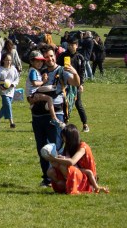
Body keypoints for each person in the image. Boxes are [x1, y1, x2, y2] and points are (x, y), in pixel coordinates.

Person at [30, 45, 81, 187]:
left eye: (51, 56)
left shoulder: (62, 71)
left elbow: (75, 83)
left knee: (56, 148)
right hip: (38, 114)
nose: (49, 59)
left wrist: (74, 72)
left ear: (55, 56)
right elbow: (31, 92)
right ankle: (46, 179)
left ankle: (59, 177)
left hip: (56, 114)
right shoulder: (40, 72)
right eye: (46, 57)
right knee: (42, 148)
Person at [43, 124, 108, 194]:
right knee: (50, 171)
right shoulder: (68, 148)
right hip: (77, 172)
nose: (63, 140)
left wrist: (54, 159)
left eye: (64, 137)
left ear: (70, 137)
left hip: (84, 177)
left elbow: (72, 162)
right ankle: (65, 185)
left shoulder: (83, 147)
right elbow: (64, 160)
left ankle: (82, 187)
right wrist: (53, 158)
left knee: (64, 167)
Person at [26, 51, 61, 127]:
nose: (40, 63)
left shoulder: (36, 71)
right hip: (33, 94)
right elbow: (35, 83)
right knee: (49, 99)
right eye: (37, 61)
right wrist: (43, 81)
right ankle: (54, 118)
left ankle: (34, 105)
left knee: (48, 93)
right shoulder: (33, 71)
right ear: (32, 62)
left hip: (34, 93)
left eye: (41, 61)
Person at [64, 38, 90, 132]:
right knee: (65, 103)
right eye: (69, 45)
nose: (70, 47)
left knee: (78, 104)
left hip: (76, 84)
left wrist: (81, 84)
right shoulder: (63, 56)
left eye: (72, 45)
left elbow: (82, 72)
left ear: (76, 46)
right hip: (65, 84)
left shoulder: (80, 57)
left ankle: (85, 124)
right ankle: (64, 123)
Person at [0, 53, 20, 129]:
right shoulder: (0, 70)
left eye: (10, 60)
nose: (8, 62)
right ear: (3, 60)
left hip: (11, 91)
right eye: (7, 60)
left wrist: (13, 84)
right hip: (4, 92)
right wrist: (0, 87)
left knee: (5, 107)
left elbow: (17, 79)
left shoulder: (13, 69)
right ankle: (12, 123)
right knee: (8, 105)